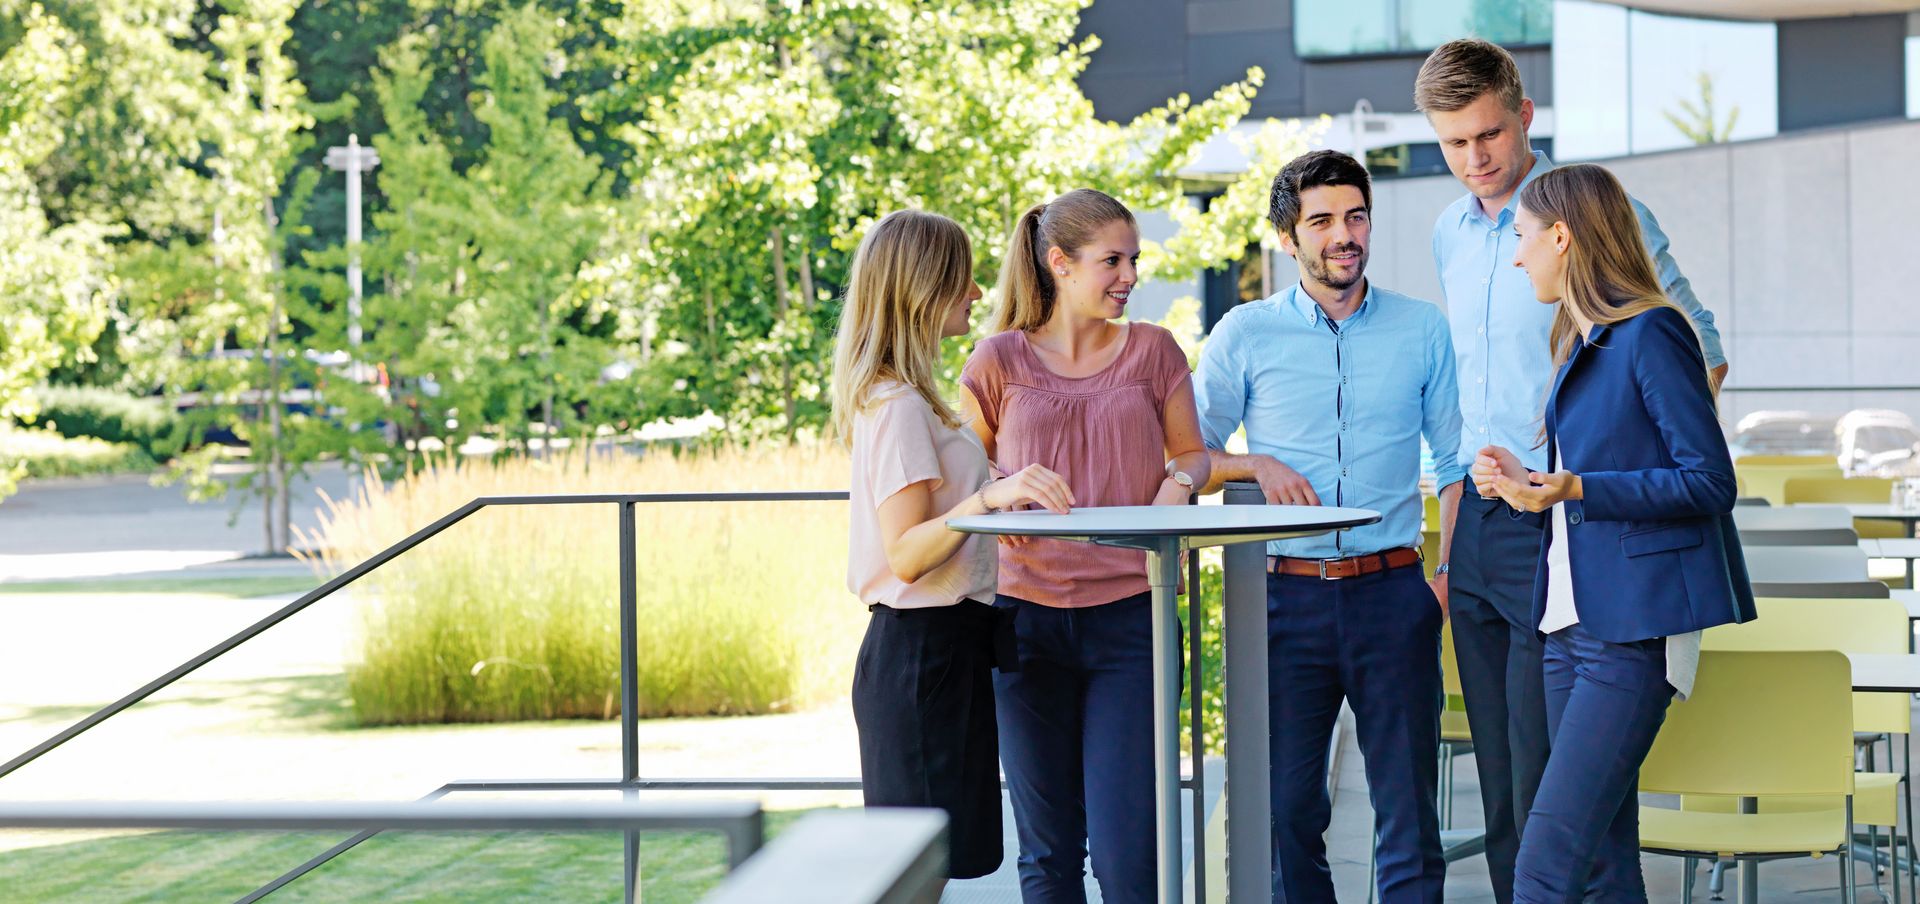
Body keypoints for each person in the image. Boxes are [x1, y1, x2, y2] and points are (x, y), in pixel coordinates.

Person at [1415, 38, 1731, 902]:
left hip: (1561, 524)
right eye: (1452, 144)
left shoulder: (1592, 213)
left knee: (1557, 799)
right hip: (1481, 523)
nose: (1474, 160)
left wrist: (1583, 475)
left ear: (1523, 113)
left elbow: (1690, 348)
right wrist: (1454, 525)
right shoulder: (1450, 232)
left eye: (1487, 135)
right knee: (1511, 786)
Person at [1472, 163, 1755, 901]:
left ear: (1562, 236)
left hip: (1632, 630)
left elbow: (1709, 481)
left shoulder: (1652, 331)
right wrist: (1526, 483)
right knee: (1598, 862)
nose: (1517, 253)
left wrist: (1577, 487)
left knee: (1545, 863)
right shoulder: (1582, 341)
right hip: (1569, 624)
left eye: (1525, 236)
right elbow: (1592, 477)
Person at [1194, 149, 1462, 903]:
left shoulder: (1421, 329)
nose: (1343, 236)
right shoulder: (1244, 333)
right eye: (1321, 222)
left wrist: (1444, 580)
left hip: (1394, 595)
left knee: (1408, 816)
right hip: (1283, 600)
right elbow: (1188, 455)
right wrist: (1255, 466)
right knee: (1285, 813)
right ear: (1288, 238)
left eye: (1355, 217)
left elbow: (1456, 462)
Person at [960, 188, 1210, 904]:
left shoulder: (1155, 352)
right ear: (1060, 263)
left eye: (1134, 259)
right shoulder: (997, 360)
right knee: (1047, 855)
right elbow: (966, 472)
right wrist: (1000, 486)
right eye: (1113, 261)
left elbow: (1192, 454)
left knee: (1132, 857)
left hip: (1134, 621)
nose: (1130, 275)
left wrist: (1177, 486)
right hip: (1023, 622)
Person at [831, 209, 1076, 891]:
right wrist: (987, 504)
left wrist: (999, 504)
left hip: (947, 653)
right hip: (921, 659)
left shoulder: (914, 398)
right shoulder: (897, 404)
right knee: (917, 877)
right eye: (962, 279)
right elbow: (907, 553)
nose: (975, 293)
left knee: (938, 869)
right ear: (923, 288)